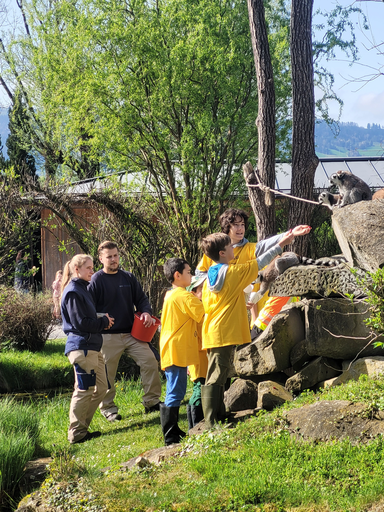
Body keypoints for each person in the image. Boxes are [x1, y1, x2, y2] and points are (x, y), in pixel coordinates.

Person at [200, 230, 298, 428]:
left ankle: (219, 414)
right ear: (221, 252)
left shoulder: (214, 273)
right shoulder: (231, 272)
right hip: (223, 332)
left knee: (220, 372)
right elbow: (260, 262)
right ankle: (211, 423)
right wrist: (282, 243)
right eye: (229, 246)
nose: (233, 249)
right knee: (216, 375)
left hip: (216, 330)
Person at [88, 241, 162, 421]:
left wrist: (146, 312)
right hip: (107, 337)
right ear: (101, 259)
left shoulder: (128, 277)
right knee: (106, 375)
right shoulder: (96, 280)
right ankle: (108, 409)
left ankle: (152, 402)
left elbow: (142, 299)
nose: (113, 260)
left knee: (150, 362)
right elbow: (88, 309)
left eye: (115, 255)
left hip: (132, 334)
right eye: (109, 257)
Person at [196, 208, 311, 323]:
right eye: (236, 225)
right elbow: (199, 274)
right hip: (221, 312)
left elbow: (265, 245)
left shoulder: (251, 249)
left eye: (242, 224)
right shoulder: (214, 253)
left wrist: (290, 233)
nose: (241, 228)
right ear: (227, 227)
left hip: (247, 307)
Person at [61, 254, 114, 444]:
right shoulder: (74, 291)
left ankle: (82, 427)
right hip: (82, 347)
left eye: (92, 267)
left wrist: (100, 317)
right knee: (83, 390)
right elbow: (81, 323)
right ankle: (76, 433)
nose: (93, 271)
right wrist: (103, 322)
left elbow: (84, 317)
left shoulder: (83, 289)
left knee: (102, 388)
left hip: (92, 347)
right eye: (89, 268)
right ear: (77, 270)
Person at [159, 258, 205, 445]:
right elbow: (202, 312)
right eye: (188, 272)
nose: (191, 276)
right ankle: (170, 435)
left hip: (172, 348)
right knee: (175, 392)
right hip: (176, 350)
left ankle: (174, 429)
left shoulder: (171, 294)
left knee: (175, 390)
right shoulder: (183, 296)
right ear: (177, 275)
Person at [186, 274, 208, 431]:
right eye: (202, 289)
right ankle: (195, 426)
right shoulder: (195, 311)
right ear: (193, 292)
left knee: (202, 388)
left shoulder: (203, 307)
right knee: (198, 390)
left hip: (205, 357)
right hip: (198, 357)